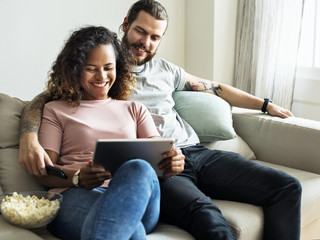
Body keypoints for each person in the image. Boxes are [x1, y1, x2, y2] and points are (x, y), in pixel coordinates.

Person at [19, 1, 302, 239]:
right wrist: (40, 146)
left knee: (139, 168)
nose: (102, 76)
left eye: (155, 37)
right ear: (126, 24)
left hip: (173, 166)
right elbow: (44, 118)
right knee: (140, 222)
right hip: (98, 188)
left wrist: (265, 105)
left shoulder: (146, 92)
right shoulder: (59, 104)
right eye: (140, 31)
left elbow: (214, 90)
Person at [32, 25, 184, 240]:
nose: (101, 76)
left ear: (118, 68)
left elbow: (156, 160)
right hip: (75, 196)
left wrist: (173, 162)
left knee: (138, 167)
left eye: (108, 67)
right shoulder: (55, 109)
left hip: (138, 198)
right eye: (91, 68)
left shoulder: (135, 109)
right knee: (133, 232)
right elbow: (46, 171)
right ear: (75, 69)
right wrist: (77, 178)